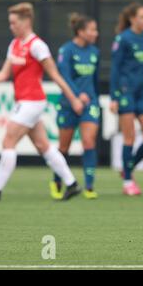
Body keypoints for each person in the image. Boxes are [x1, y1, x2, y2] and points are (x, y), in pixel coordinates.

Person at [0, 2, 84, 201]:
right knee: (43, 145)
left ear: (26, 22)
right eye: (10, 23)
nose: (11, 27)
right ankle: (72, 184)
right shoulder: (14, 45)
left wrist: (73, 98)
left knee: (8, 140)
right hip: (25, 102)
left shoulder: (37, 45)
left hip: (32, 102)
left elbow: (55, 75)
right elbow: (3, 74)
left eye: (14, 23)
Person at [49, 13, 100, 200]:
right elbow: (64, 77)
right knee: (64, 147)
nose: (96, 33)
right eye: (92, 30)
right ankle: (57, 181)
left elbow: (93, 80)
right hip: (68, 103)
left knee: (88, 141)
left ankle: (89, 186)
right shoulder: (66, 51)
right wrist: (77, 97)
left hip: (90, 103)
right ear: (80, 32)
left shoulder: (95, 52)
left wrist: (89, 97)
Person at [110, 3, 143, 196]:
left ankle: (127, 168)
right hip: (126, 93)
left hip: (142, 94)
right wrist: (114, 97)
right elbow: (115, 69)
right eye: (142, 17)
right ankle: (128, 181)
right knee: (129, 137)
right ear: (132, 19)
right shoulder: (123, 39)